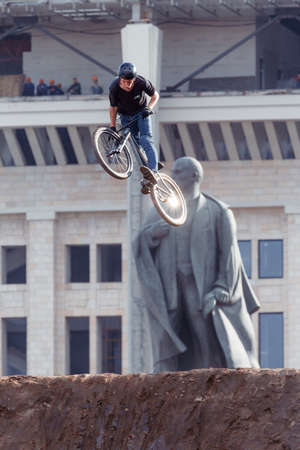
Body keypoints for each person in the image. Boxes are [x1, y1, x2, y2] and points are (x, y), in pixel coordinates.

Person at [134, 156, 260, 372]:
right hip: (170, 286)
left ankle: (210, 375)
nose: (173, 176)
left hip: (200, 286)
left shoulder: (218, 212)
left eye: (178, 172)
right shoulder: (161, 210)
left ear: (195, 176)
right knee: (167, 332)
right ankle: (164, 383)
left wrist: (221, 289)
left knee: (203, 333)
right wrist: (151, 234)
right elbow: (140, 241)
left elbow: (229, 257)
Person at [109, 62, 159, 189]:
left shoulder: (141, 82)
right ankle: (147, 173)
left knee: (145, 139)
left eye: (131, 81)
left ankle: (154, 171)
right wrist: (112, 126)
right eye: (125, 82)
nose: (128, 85)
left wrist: (149, 108)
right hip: (125, 116)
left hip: (141, 113)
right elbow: (113, 107)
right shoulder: (114, 87)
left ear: (135, 79)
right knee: (136, 146)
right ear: (121, 79)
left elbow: (155, 95)